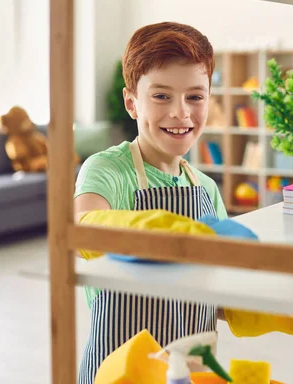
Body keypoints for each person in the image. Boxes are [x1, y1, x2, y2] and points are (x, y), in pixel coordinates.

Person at [73, 21, 227, 383]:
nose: (181, 113)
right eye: (161, 96)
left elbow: (219, 285)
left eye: (195, 96)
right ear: (132, 103)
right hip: (120, 370)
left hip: (190, 370)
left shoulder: (205, 188)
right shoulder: (107, 170)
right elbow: (85, 232)